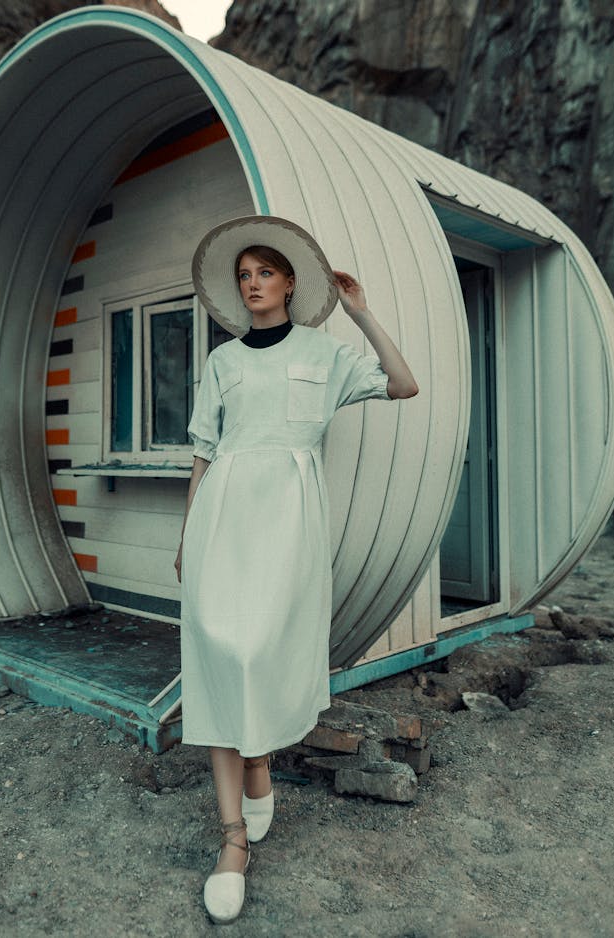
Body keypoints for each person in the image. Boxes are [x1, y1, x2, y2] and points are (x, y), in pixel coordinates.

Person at [175, 215, 418, 924]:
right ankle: (232, 841)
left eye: (264, 273)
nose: (252, 284)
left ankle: (258, 767)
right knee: (219, 653)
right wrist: (189, 534)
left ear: (288, 283)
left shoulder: (326, 351)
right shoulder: (223, 362)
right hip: (222, 515)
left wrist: (363, 313)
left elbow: (403, 385)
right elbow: (204, 450)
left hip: (288, 524)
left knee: (259, 653)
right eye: (243, 276)